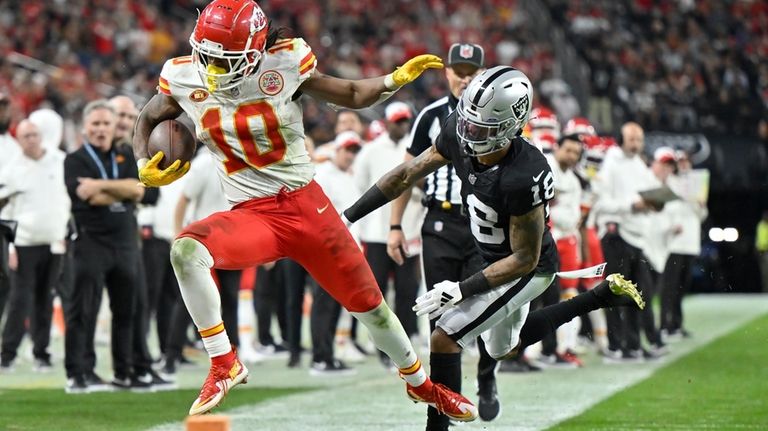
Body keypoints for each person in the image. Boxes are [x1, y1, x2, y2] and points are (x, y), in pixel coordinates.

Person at [132, 0, 475, 420]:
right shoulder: (184, 75)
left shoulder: (285, 62)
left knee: (373, 310)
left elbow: (350, 93)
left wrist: (393, 79)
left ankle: (423, 386)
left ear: (257, 51)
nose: (214, 70)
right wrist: (141, 166)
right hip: (251, 214)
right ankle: (223, 361)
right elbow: (148, 118)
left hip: (308, 208)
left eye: (227, 60)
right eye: (208, 57)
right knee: (185, 251)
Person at [343, 66, 645, 431]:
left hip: (529, 269)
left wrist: (461, 289)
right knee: (503, 348)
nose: (468, 134)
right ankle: (598, 297)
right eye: (468, 123)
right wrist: (347, 217)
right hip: (492, 256)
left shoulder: (525, 173)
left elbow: (524, 258)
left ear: (510, 127)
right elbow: (407, 173)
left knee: (445, 336)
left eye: (480, 129)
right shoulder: (460, 129)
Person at [386, 43, 503, 420]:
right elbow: (406, 174)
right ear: (446, 72)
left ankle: (487, 376)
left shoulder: (499, 113)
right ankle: (443, 407)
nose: (465, 76)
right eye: (458, 69)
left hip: (483, 225)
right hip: (439, 223)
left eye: (472, 70)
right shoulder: (430, 116)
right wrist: (394, 226)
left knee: (483, 311)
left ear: (483, 73)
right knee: (441, 317)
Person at [64, 100, 145, 393]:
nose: (100, 129)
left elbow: (139, 191)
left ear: (114, 128)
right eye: (95, 124)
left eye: (105, 124)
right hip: (90, 243)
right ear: (85, 127)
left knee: (126, 312)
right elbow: (87, 197)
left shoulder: (125, 155)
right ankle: (79, 374)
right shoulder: (74, 160)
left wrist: (100, 185)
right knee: (83, 311)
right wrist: (122, 190)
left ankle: (123, 373)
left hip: (124, 244)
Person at [354, 101, 424, 369]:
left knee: (407, 294)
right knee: (378, 297)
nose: (402, 125)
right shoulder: (370, 151)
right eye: (398, 120)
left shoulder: (415, 150)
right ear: (386, 122)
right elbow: (360, 187)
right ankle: (384, 350)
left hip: (409, 233)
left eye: (405, 120)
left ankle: (405, 350)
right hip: (376, 234)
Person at [0, 120, 70, 372]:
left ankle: (41, 353)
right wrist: (8, 248)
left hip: (53, 242)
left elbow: (66, 200)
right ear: (18, 140)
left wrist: (64, 231)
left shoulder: (59, 161)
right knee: (20, 300)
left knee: (45, 299)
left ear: (41, 136)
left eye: (34, 134)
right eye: (26, 135)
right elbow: (3, 213)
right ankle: (7, 353)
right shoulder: (11, 171)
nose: (31, 139)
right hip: (24, 244)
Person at [593, 122, 665, 362]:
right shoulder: (610, 163)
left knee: (638, 294)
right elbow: (601, 204)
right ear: (620, 139)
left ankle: (633, 344)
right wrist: (632, 205)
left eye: (639, 139)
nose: (636, 144)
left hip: (637, 237)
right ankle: (616, 346)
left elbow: (651, 193)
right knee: (615, 293)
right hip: (616, 234)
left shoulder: (639, 165)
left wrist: (655, 203)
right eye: (632, 139)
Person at [308, 131, 364, 376]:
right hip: (325, 249)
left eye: (354, 151)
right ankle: (320, 358)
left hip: (344, 250)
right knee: (322, 304)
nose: (351, 155)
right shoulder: (324, 175)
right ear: (337, 150)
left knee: (332, 305)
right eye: (347, 150)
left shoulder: (348, 177)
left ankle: (328, 355)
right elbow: (317, 213)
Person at [661, 150, 707, 338]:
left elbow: (702, 217)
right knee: (669, 286)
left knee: (682, 287)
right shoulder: (669, 181)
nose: (683, 164)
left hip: (690, 242)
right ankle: (665, 325)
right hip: (673, 242)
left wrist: (701, 205)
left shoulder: (697, 184)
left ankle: (676, 325)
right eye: (680, 161)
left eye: (686, 161)